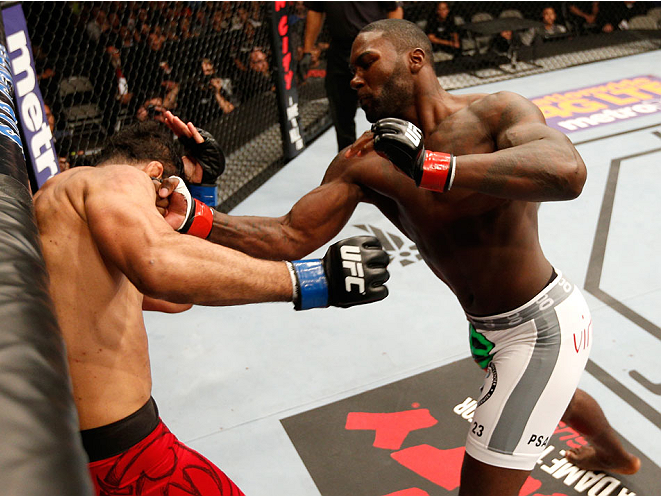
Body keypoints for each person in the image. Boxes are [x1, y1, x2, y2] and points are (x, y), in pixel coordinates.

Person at [160, 18, 641, 495]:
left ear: (416, 60)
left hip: (540, 327)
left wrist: (433, 166)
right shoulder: (366, 162)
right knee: (555, 397)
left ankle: (611, 450)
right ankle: (615, 453)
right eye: (350, 70)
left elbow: (566, 172)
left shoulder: (496, 113)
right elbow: (289, 236)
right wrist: (195, 213)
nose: (354, 79)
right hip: (485, 326)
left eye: (366, 63)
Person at [33, 120, 390, 495]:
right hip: (127, 459)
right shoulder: (116, 179)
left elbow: (179, 297)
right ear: (156, 173)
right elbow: (159, 261)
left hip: (71, 461)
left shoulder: (64, 211)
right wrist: (312, 281)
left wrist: (200, 197)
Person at [298, 1, 403, 151]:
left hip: (373, 49)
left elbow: (394, 9)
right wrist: (308, 49)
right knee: (340, 111)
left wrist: (391, 46)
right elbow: (315, 10)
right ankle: (348, 161)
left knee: (386, 108)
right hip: (340, 51)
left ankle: (394, 156)